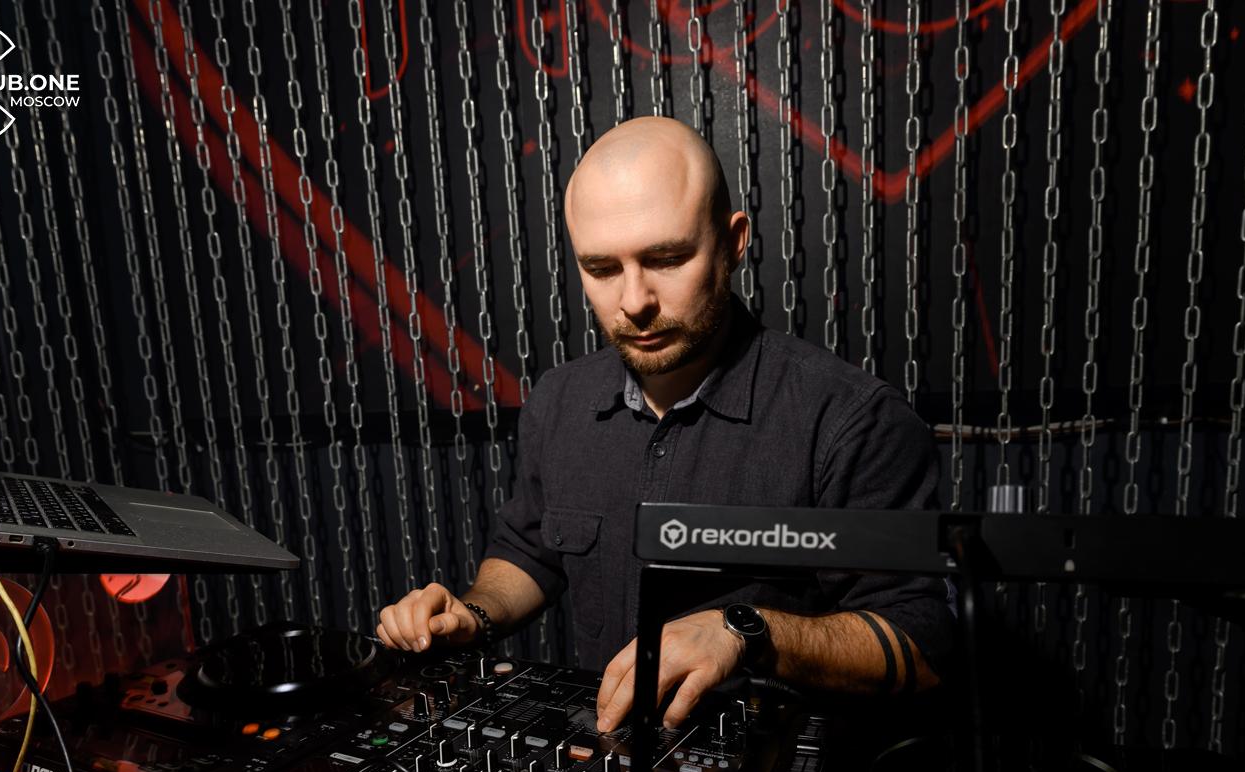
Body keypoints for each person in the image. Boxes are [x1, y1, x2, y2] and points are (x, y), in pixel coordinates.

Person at [377, 116, 953, 733]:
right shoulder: (559, 400)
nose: (634, 302)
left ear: (733, 242)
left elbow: (922, 647)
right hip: (610, 756)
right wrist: (473, 615)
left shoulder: (852, 420)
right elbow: (530, 550)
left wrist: (746, 633)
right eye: (602, 269)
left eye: (668, 258)